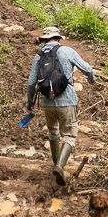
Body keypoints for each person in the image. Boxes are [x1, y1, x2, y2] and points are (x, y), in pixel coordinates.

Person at [26, 27, 98, 186]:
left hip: (47, 103)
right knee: (69, 135)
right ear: (58, 39)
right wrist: (91, 78)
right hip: (67, 101)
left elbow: (31, 83)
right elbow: (86, 68)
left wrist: (29, 104)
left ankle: (55, 163)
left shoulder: (38, 56)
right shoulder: (67, 51)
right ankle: (60, 166)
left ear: (44, 40)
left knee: (53, 132)